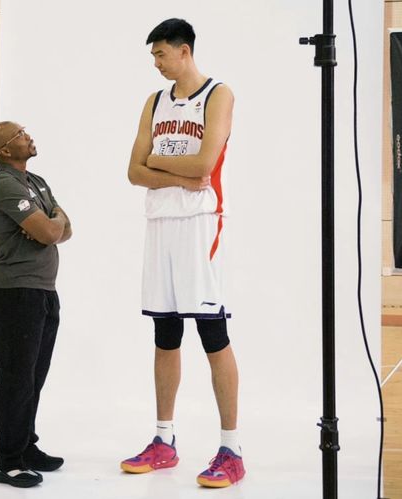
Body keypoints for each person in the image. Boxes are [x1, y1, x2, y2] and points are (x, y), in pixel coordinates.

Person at [120, 18, 245, 488]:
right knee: (165, 333)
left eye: (160, 54)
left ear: (184, 50)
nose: (155, 63)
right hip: (160, 224)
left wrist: (158, 162)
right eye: (153, 56)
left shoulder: (218, 94)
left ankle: (231, 449)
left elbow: (205, 163)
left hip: (199, 225)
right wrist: (175, 174)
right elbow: (134, 171)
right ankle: (164, 440)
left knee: (213, 333)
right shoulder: (154, 102)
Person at [0, 121, 72, 488]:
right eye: (19, 134)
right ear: (5, 151)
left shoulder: (36, 182)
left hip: (42, 291)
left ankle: (25, 447)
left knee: (34, 376)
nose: (28, 135)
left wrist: (52, 221)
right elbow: (51, 232)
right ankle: (7, 461)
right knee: (17, 379)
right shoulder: (5, 185)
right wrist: (51, 223)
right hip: (15, 292)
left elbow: (65, 228)